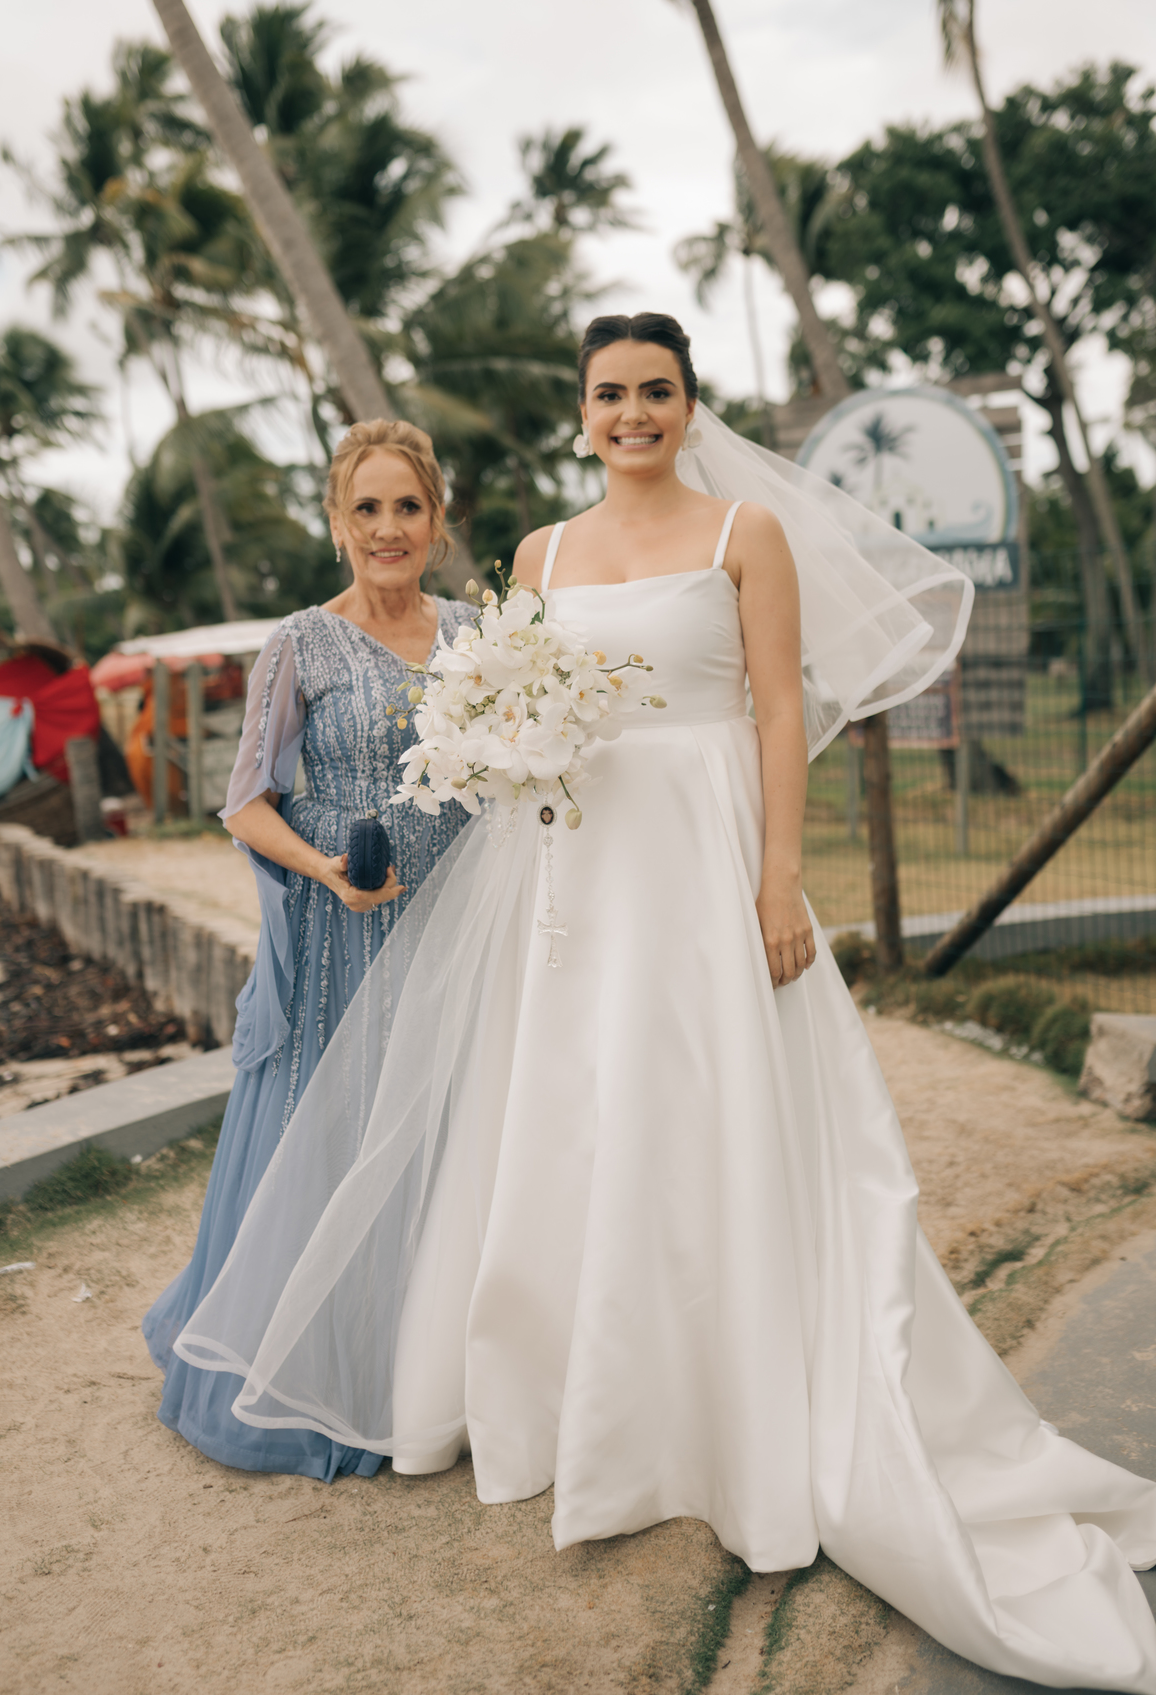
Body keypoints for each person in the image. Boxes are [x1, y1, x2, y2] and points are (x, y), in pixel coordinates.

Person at [176, 317, 1156, 1690]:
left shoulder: (744, 529)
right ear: (582, 412)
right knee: (571, 1123)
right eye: (610, 393)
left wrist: (779, 879)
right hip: (573, 871)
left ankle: (734, 1414)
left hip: (703, 860)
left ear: (690, 404)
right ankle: (575, 1409)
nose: (632, 410)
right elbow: (500, 711)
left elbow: (770, 712)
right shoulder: (538, 559)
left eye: (655, 390)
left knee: (713, 1118)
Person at [142, 418, 476, 1481]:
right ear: (338, 524)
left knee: (446, 1131)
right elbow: (246, 803)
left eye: (407, 506)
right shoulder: (299, 642)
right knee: (333, 1134)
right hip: (343, 926)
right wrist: (330, 869)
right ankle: (311, 1377)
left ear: (437, 518)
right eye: (366, 508)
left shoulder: (482, 635)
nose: (389, 528)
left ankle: (435, 1373)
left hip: (458, 922)